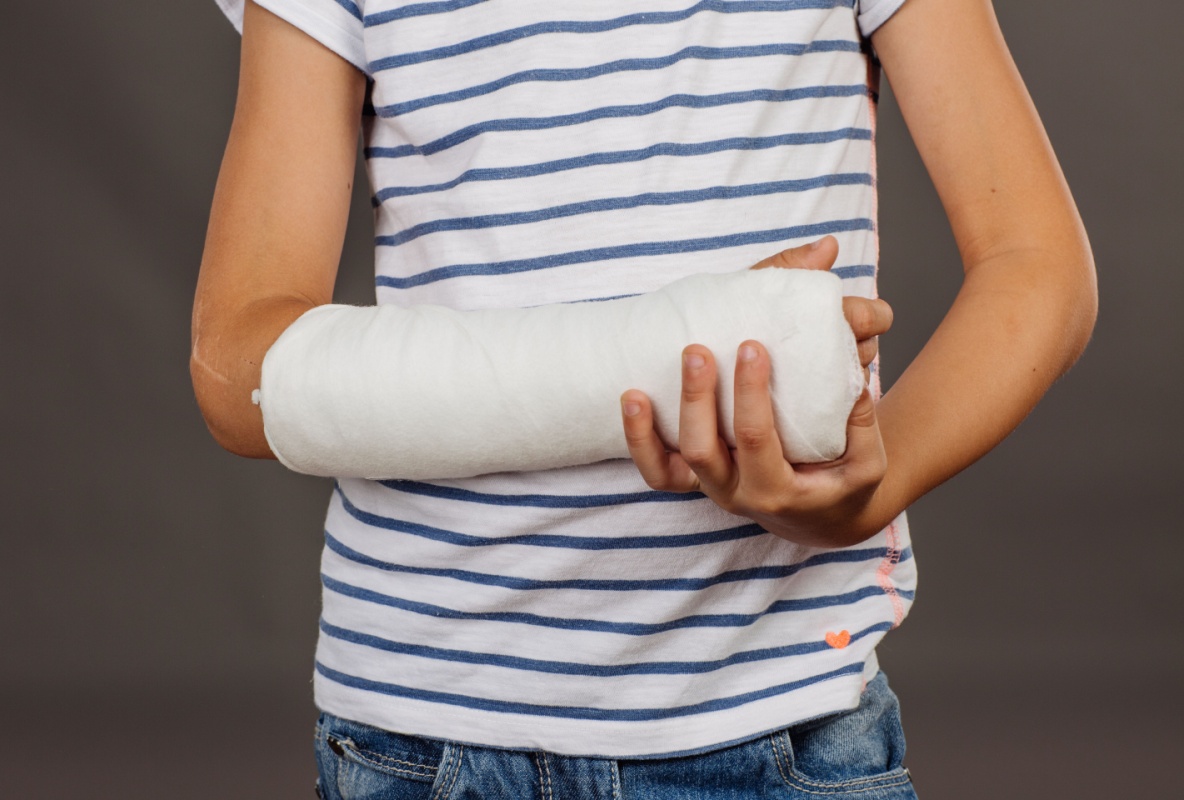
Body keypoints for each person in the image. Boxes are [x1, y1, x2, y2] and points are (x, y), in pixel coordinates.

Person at [193, 0, 1097, 796]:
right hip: (422, 741)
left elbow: (1037, 266)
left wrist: (873, 485)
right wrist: (639, 357)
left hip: (772, 723)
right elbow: (239, 374)